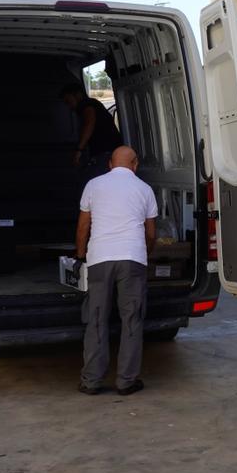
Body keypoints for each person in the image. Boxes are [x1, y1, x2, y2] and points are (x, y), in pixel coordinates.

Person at [75, 146, 158, 396]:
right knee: (131, 319)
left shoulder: (94, 184)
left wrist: (81, 255)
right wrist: (145, 252)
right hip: (132, 259)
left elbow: (83, 225)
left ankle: (91, 381)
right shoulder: (145, 189)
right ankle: (126, 381)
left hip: (100, 258)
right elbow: (151, 233)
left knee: (96, 319)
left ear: (110, 164)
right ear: (135, 164)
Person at [60, 83, 123, 173]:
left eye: (68, 101)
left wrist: (79, 150)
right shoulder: (92, 103)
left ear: (77, 94)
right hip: (109, 150)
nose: (69, 106)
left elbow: (89, 123)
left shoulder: (86, 104)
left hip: (106, 151)